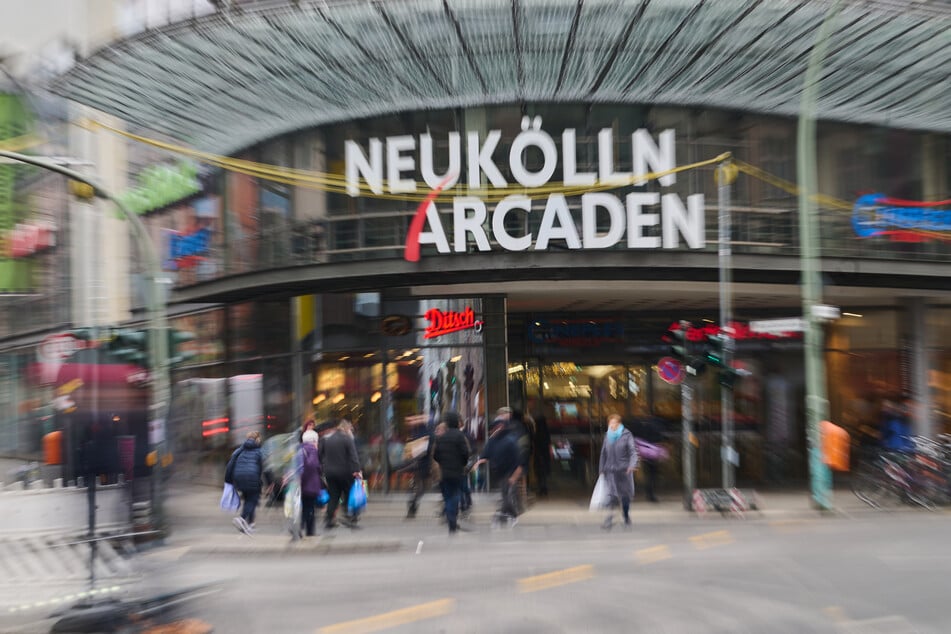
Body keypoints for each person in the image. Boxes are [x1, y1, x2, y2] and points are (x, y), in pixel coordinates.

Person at [475, 418, 523, 526]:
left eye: (494, 429)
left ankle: (508, 514)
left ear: (500, 427)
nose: (492, 431)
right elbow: (486, 454)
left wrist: (514, 477)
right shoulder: (493, 440)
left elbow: (519, 461)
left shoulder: (510, 440)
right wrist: (479, 461)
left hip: (509, 472)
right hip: (500, 472)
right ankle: (506, 514)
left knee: (507, 495)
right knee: (505, 495)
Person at [432, 412, 471, 534]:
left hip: (445, 472)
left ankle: (450, 520)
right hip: (457, 471)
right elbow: (465, 453)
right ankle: (452, 520)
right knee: (455, 495)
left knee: (448, 496)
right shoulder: (460, 436)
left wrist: (442, 463)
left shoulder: (441, 437)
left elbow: (436, 455)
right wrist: (462, 463)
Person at [319, 420, 362, 529]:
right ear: (346, 428)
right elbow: (353, 456)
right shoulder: (347, 439)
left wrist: (322, 468)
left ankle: (329, 520)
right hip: (345, 472)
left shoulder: (327, 439)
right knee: (348, 494)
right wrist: (357, 470)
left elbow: (320, 455)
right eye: (350, 429)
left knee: (334, 496)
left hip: (329, 473)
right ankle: (349, 516)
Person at [599, 414, 637, 530]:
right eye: (610, 423)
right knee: (611, 495)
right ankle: (609, 519)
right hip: (610, 470)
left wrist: (632, 465)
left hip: (624, 470)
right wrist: (601, 469)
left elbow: (632, 451)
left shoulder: (626, 435)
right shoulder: (607, 436)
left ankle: (625, 515)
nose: (612, 425)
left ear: (619, 424)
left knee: (625, 495)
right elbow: (603, 453)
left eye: (614, 423)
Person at [227, 431, 264, 534]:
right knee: (253, 499)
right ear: (257, 439)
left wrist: (229, 480)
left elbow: (230, 464)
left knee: (248, 499)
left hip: (239, 478)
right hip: (252, 476)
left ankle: (250, 524)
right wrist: (263, 481)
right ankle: (241, 518)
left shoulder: (239, 450)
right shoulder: (258, 451)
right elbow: (261, 468)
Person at [404, 414, 433, 519]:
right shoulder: (428, 434)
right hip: (425, 464)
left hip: (416, 464)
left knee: (419, 486)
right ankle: (413, 504)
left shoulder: (415, 434)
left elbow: (410, 450)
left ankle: (413, 503)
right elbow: (429, 450)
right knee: (422, 488)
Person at [630, 416, 664, 503]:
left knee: (647, 474)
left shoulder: (639, 428)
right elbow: (658, 438)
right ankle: (650, 493)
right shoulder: (655, 427)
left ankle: (646, 492)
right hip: (652, 454)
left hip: (643, 453)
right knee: (652, 474)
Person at [298, 430, 323, 537]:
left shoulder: (300, 449)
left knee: (307, 508)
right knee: (310, 508)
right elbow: (311, 466)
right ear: (313, 440)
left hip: (303, 485)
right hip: (309, 484)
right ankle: (307, 530)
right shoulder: (312, 449)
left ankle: (306, 529)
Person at [532, 414, 552, 497]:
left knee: (540, 471)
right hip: (545, 454)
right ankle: (544, 487)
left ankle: (541, 488)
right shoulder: (546, 432)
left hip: (539, 454)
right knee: (544, 471)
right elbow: (549, 443)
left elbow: (535, 443)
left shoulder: (537, 432)